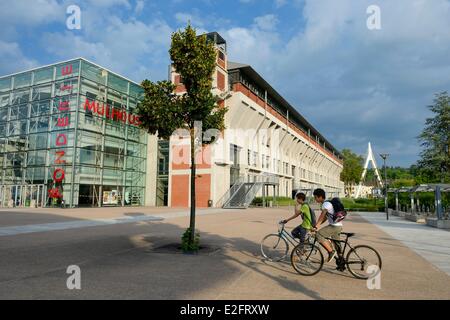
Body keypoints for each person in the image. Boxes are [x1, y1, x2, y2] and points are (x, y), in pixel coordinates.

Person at [311, 188, 343, 263]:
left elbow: (322, 216)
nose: (315, 199)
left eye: (316, 197)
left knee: (318, 235)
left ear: (320, 197)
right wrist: (317, 224)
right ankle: (341, 262)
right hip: (339, 225)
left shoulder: (325, 204)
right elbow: (325, 217)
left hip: (334, 226)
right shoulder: (328, 203)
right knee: (337, 244)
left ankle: (331, 252)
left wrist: (316, 227)